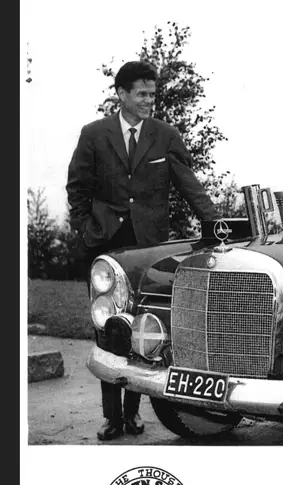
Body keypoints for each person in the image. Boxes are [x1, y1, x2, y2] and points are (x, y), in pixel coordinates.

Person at [67, 60, 218, 441]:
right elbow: (77, 188)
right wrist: (85, 229)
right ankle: (111, 418)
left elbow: (189, 184)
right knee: (107, 328)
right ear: (121, 94)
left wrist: (214, 222)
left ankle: (132, 414)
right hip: (106, 246)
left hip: (148, 249)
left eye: (153, 94)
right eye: (142, 94)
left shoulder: (165, 135)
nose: (150, 100)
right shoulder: (94, 134)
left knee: (142, 331)